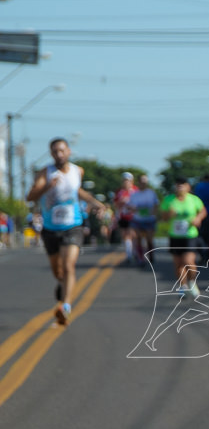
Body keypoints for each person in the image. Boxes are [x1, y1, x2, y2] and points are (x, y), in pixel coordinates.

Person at [26, 137, 107, 325]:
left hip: (73, 225)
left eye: (62, 150)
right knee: (58, 271)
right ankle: (62, 285)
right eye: (55, 151)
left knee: (69, 265)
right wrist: (47, 186)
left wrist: (96, 204)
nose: (59, 154)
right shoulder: (45, 173)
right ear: (51, 154)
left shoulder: (78, 171)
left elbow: (78, 191)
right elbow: (30, 197)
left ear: (69, 151)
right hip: (50, 228)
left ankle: (66, 305)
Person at [158, 177, 207, 298]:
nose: (180, 187)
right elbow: (163, 217)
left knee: (188, 262)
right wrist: (169, 214)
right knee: (178, 264)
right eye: (178, 184)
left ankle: (192, 282)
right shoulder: (169, 200)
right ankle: (182, 286)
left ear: (188, 187)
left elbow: (203, 211)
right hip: (175, 235)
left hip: (190, 235)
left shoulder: (194, 199)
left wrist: (198, 218)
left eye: (182, 184)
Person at [128, 174, 160, 265]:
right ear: (139, 182)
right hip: (138, 219)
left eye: (145, 182)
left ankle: (150, 255)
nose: (143, 184)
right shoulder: (134, 195)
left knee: (149, 239)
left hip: (149, 219)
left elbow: (156, 204)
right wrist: (134, 209)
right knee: (138, 238)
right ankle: (141, 258)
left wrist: (154, 212)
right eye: (142, 182)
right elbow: (130, 206)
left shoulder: (151, 193)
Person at [113, 172, 138, 264]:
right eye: (124, 181)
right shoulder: (119, 192)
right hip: (123, 216)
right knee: (125, 236)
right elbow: (115, 204)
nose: (126, 183)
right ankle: (129, 255)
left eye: (128, 181)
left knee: (133, 235)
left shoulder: (136, 190)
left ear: (131, 181)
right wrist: (121, 202)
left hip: (134, 217)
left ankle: (135, 252)